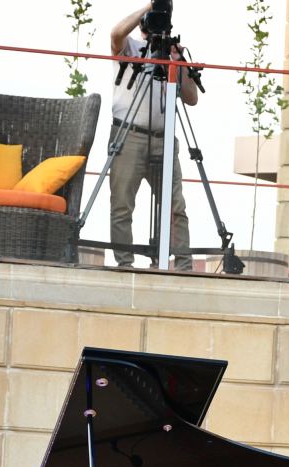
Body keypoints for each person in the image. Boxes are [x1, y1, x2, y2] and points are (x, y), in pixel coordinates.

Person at [108, 2, 198, 271]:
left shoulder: (172, 52)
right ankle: (125, 266)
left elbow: (191, 98)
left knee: (175, 207)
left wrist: (178, 63)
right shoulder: (131, 47)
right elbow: (115, 33)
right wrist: (148, 6)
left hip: (164, 138)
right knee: (122, 205)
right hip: (129, 134)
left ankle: (183, 267)